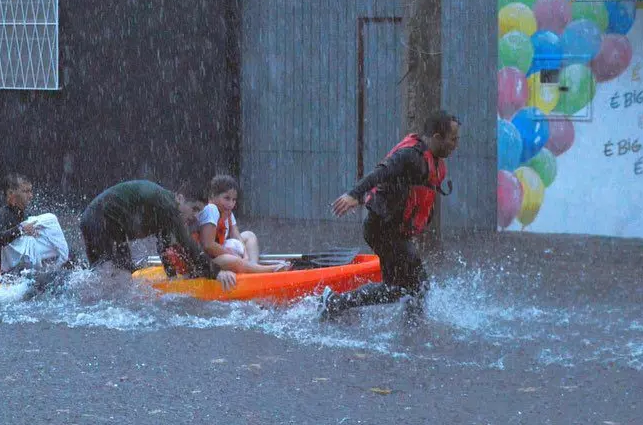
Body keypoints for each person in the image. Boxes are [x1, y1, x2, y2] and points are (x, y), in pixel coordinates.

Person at [318, 110, 460, 323]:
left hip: (394, 230)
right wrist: (354, 194)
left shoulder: (434, 161)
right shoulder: (410, 155)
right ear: (438, 138)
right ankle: (335, 303)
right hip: (381, 228)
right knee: (414, 285)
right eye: (453, 139)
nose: (456, 144)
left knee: (406, 287)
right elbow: (380, 173)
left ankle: (338, 304)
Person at [79, 179, 237, 290]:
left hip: (108, 223)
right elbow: (188, 245)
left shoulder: (164, 210)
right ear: (180, 198)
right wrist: (217, 273)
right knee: (109, 274)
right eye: (194, 209)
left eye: (199, 212)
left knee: (118, 273)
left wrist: (172, 279)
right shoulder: (168, 206)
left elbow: (164, 246)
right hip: (98, 220)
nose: (195, 216)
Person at [195, 175, 288, 274]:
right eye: (227, 198)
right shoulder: (211, 209)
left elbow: (237, 237)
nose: (231, 204)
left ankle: (252, 266)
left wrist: (246, 255)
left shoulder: (228, 212)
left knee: (249, 235)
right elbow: (208, 245)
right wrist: (233, 255)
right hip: (208, 262)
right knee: (233, 260)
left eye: (234, 200)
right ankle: (267, 270)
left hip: (221, 253)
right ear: (212, 196)